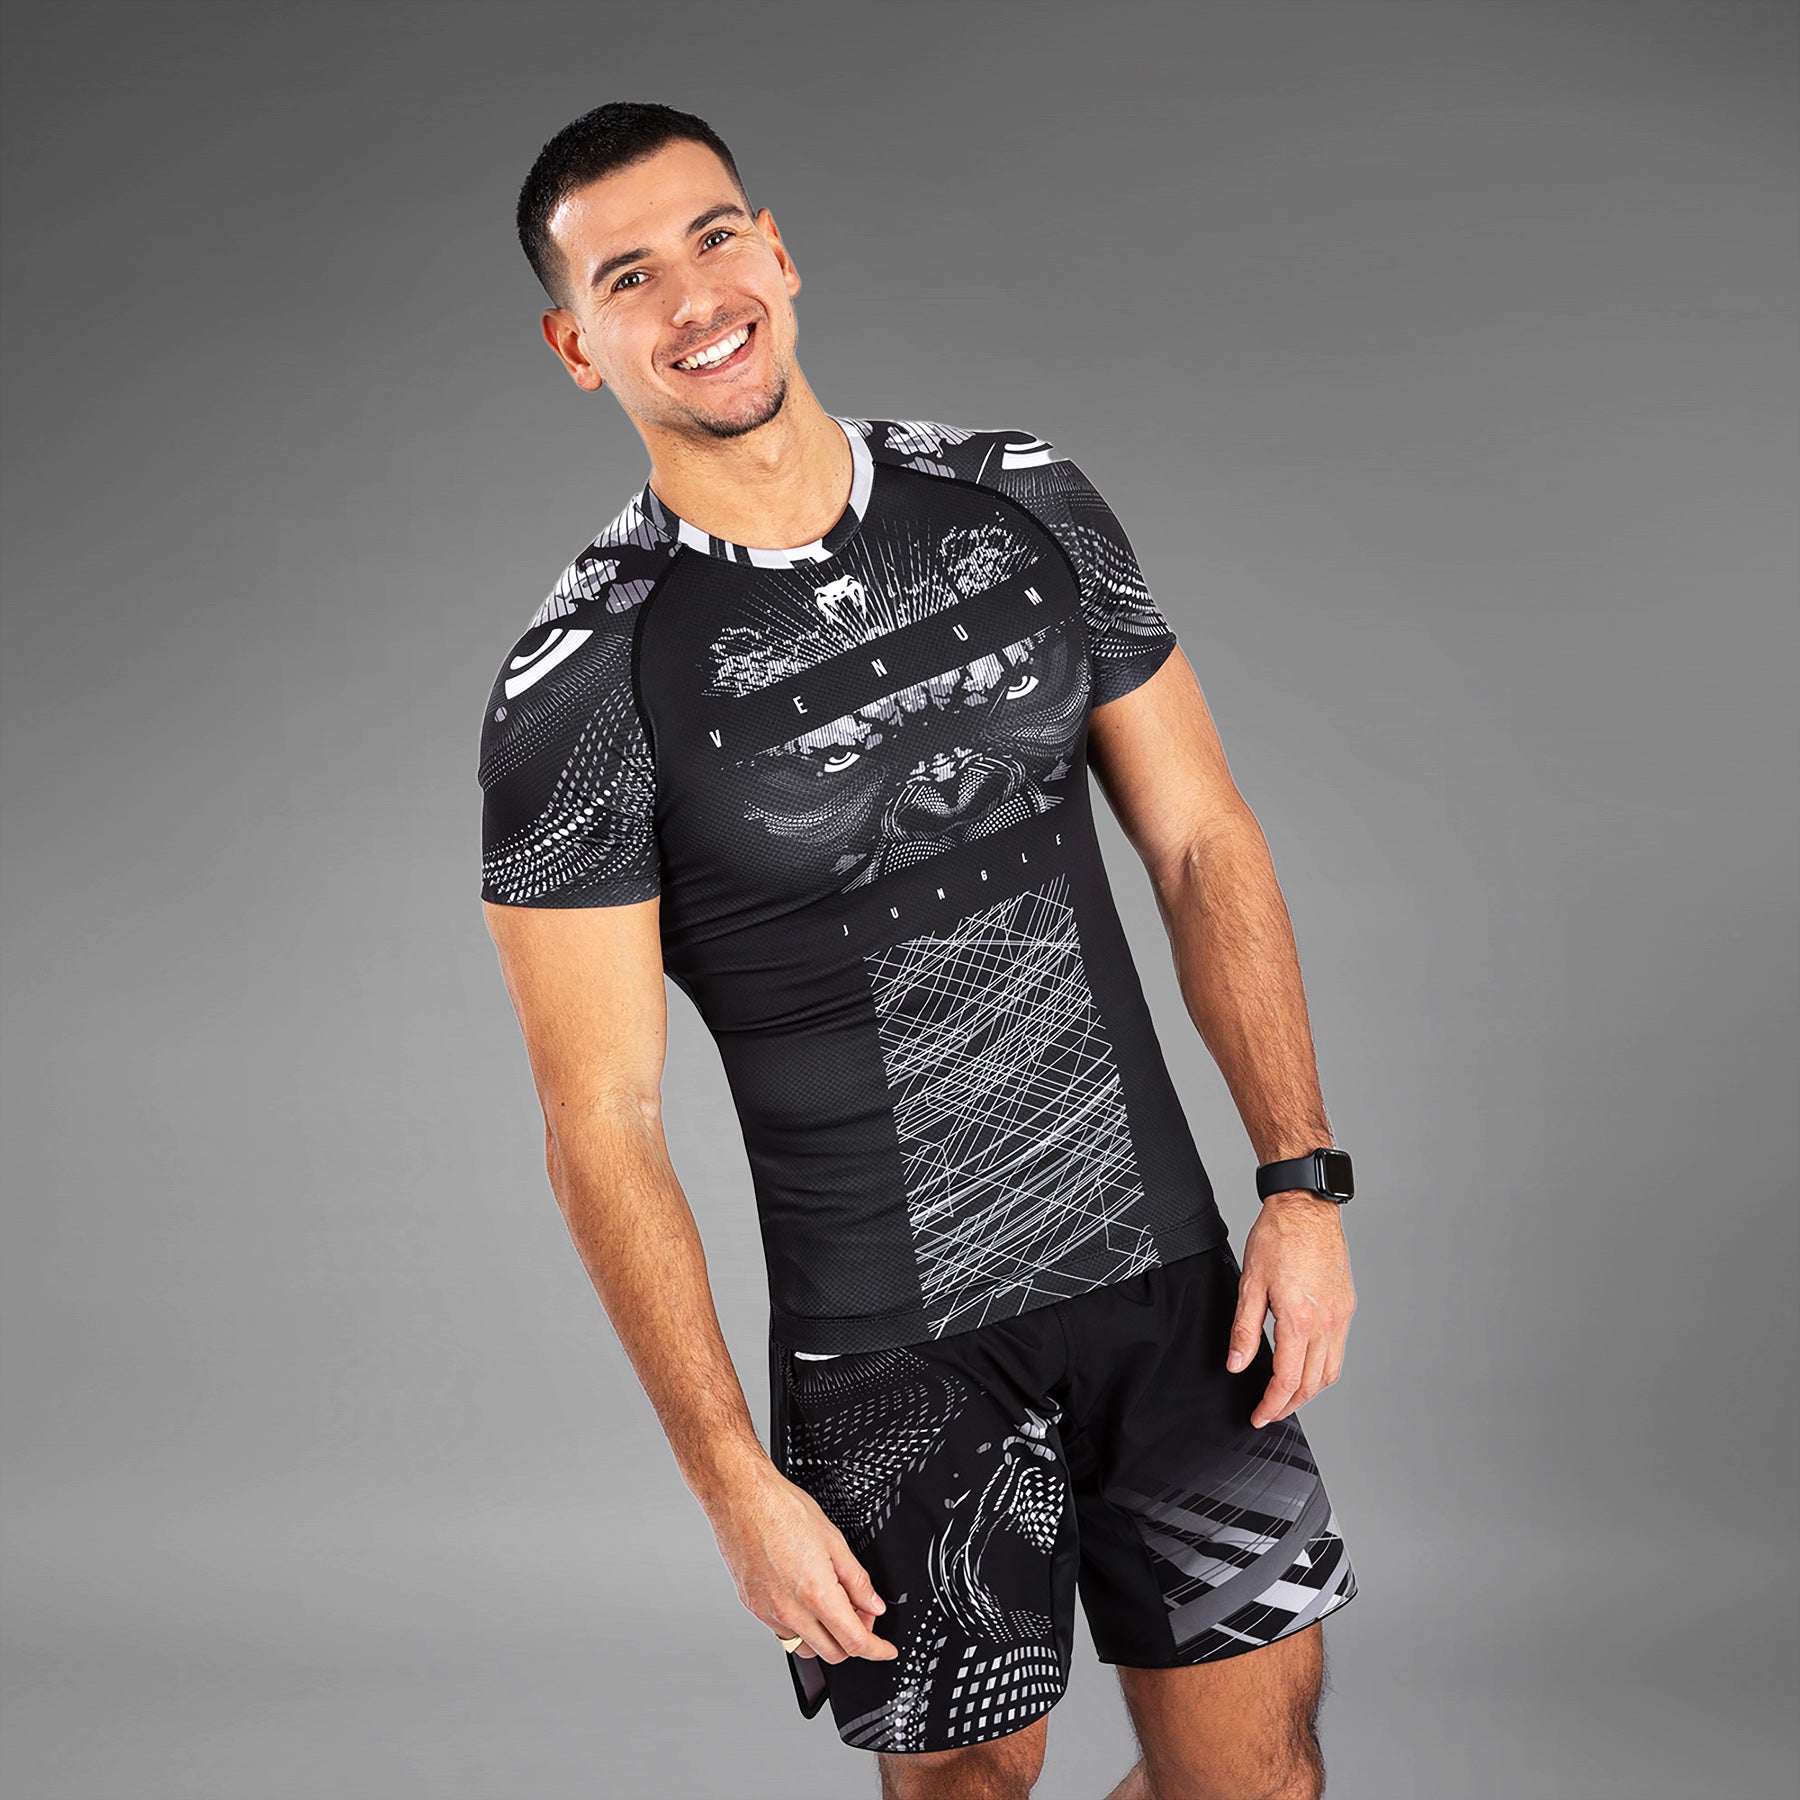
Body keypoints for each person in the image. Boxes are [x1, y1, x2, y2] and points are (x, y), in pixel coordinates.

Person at [477, 99, 1361, 1800]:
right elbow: (599, 1119)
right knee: (968, 1792)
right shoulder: (576, 685)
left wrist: (1302, 1181)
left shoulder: (1020, 496)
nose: (696, 297)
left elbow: (1200, 837)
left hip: (1169, 1288)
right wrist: (730, 1480)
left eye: (715, 237)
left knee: (1261, 1780)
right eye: (628, 277)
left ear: (779, 252)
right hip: (890, 1366)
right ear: (575, 344)